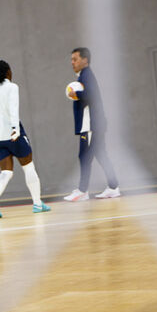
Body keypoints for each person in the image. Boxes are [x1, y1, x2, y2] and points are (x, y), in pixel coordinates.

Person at [0, 60, 50, 217]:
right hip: (13, 135)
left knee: (6, 172)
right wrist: (15, 130)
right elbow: (14, 109)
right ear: (8, 71)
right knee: (28, 167)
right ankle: (37, 203)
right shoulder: (12, 87)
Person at [64, 47, 120, 201]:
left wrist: (75, 94)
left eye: (75, 59)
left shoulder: (86, 75)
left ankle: (82, 191)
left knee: (84, 156)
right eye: (71, 60)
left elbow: (91, 95)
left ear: (85, 60)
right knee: (101, 155)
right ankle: (113, 187)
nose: (72, 62)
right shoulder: (84, 76)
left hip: (90, 125)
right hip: (95, 124)